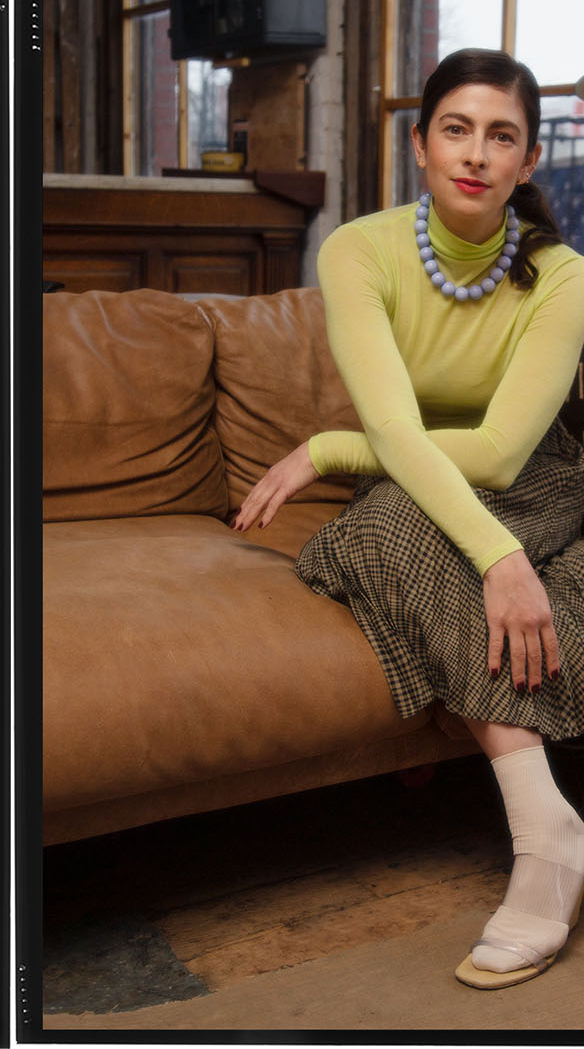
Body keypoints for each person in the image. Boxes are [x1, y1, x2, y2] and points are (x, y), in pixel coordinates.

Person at [235, 49, 584, 987]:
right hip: (411, 480)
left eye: (502, 136)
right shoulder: (358, 247)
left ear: (526, 162)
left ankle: (546, 843)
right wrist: (497, 562)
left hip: (540, 478)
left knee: (400, 521)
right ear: (421, 142)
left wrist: (330, 451)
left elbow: (505, 454)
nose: (476, 154)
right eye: (457, 130)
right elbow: (396, 425)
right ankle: (548, 824)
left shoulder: (563, 278)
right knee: (381, 528)